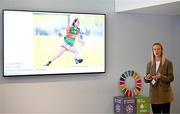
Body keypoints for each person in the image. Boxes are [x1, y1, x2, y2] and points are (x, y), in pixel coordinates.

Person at [144, 42, 174, 114]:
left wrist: (161, 77)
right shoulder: (149, 64)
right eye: (154, 49)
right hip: (154, 94)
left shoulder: (168, 63)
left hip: (164, 94)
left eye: (158, 49)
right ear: (152, 51)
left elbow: (171, 78)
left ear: (162, 50)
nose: (156, 51)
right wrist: (146, 78)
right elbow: (146, 79)